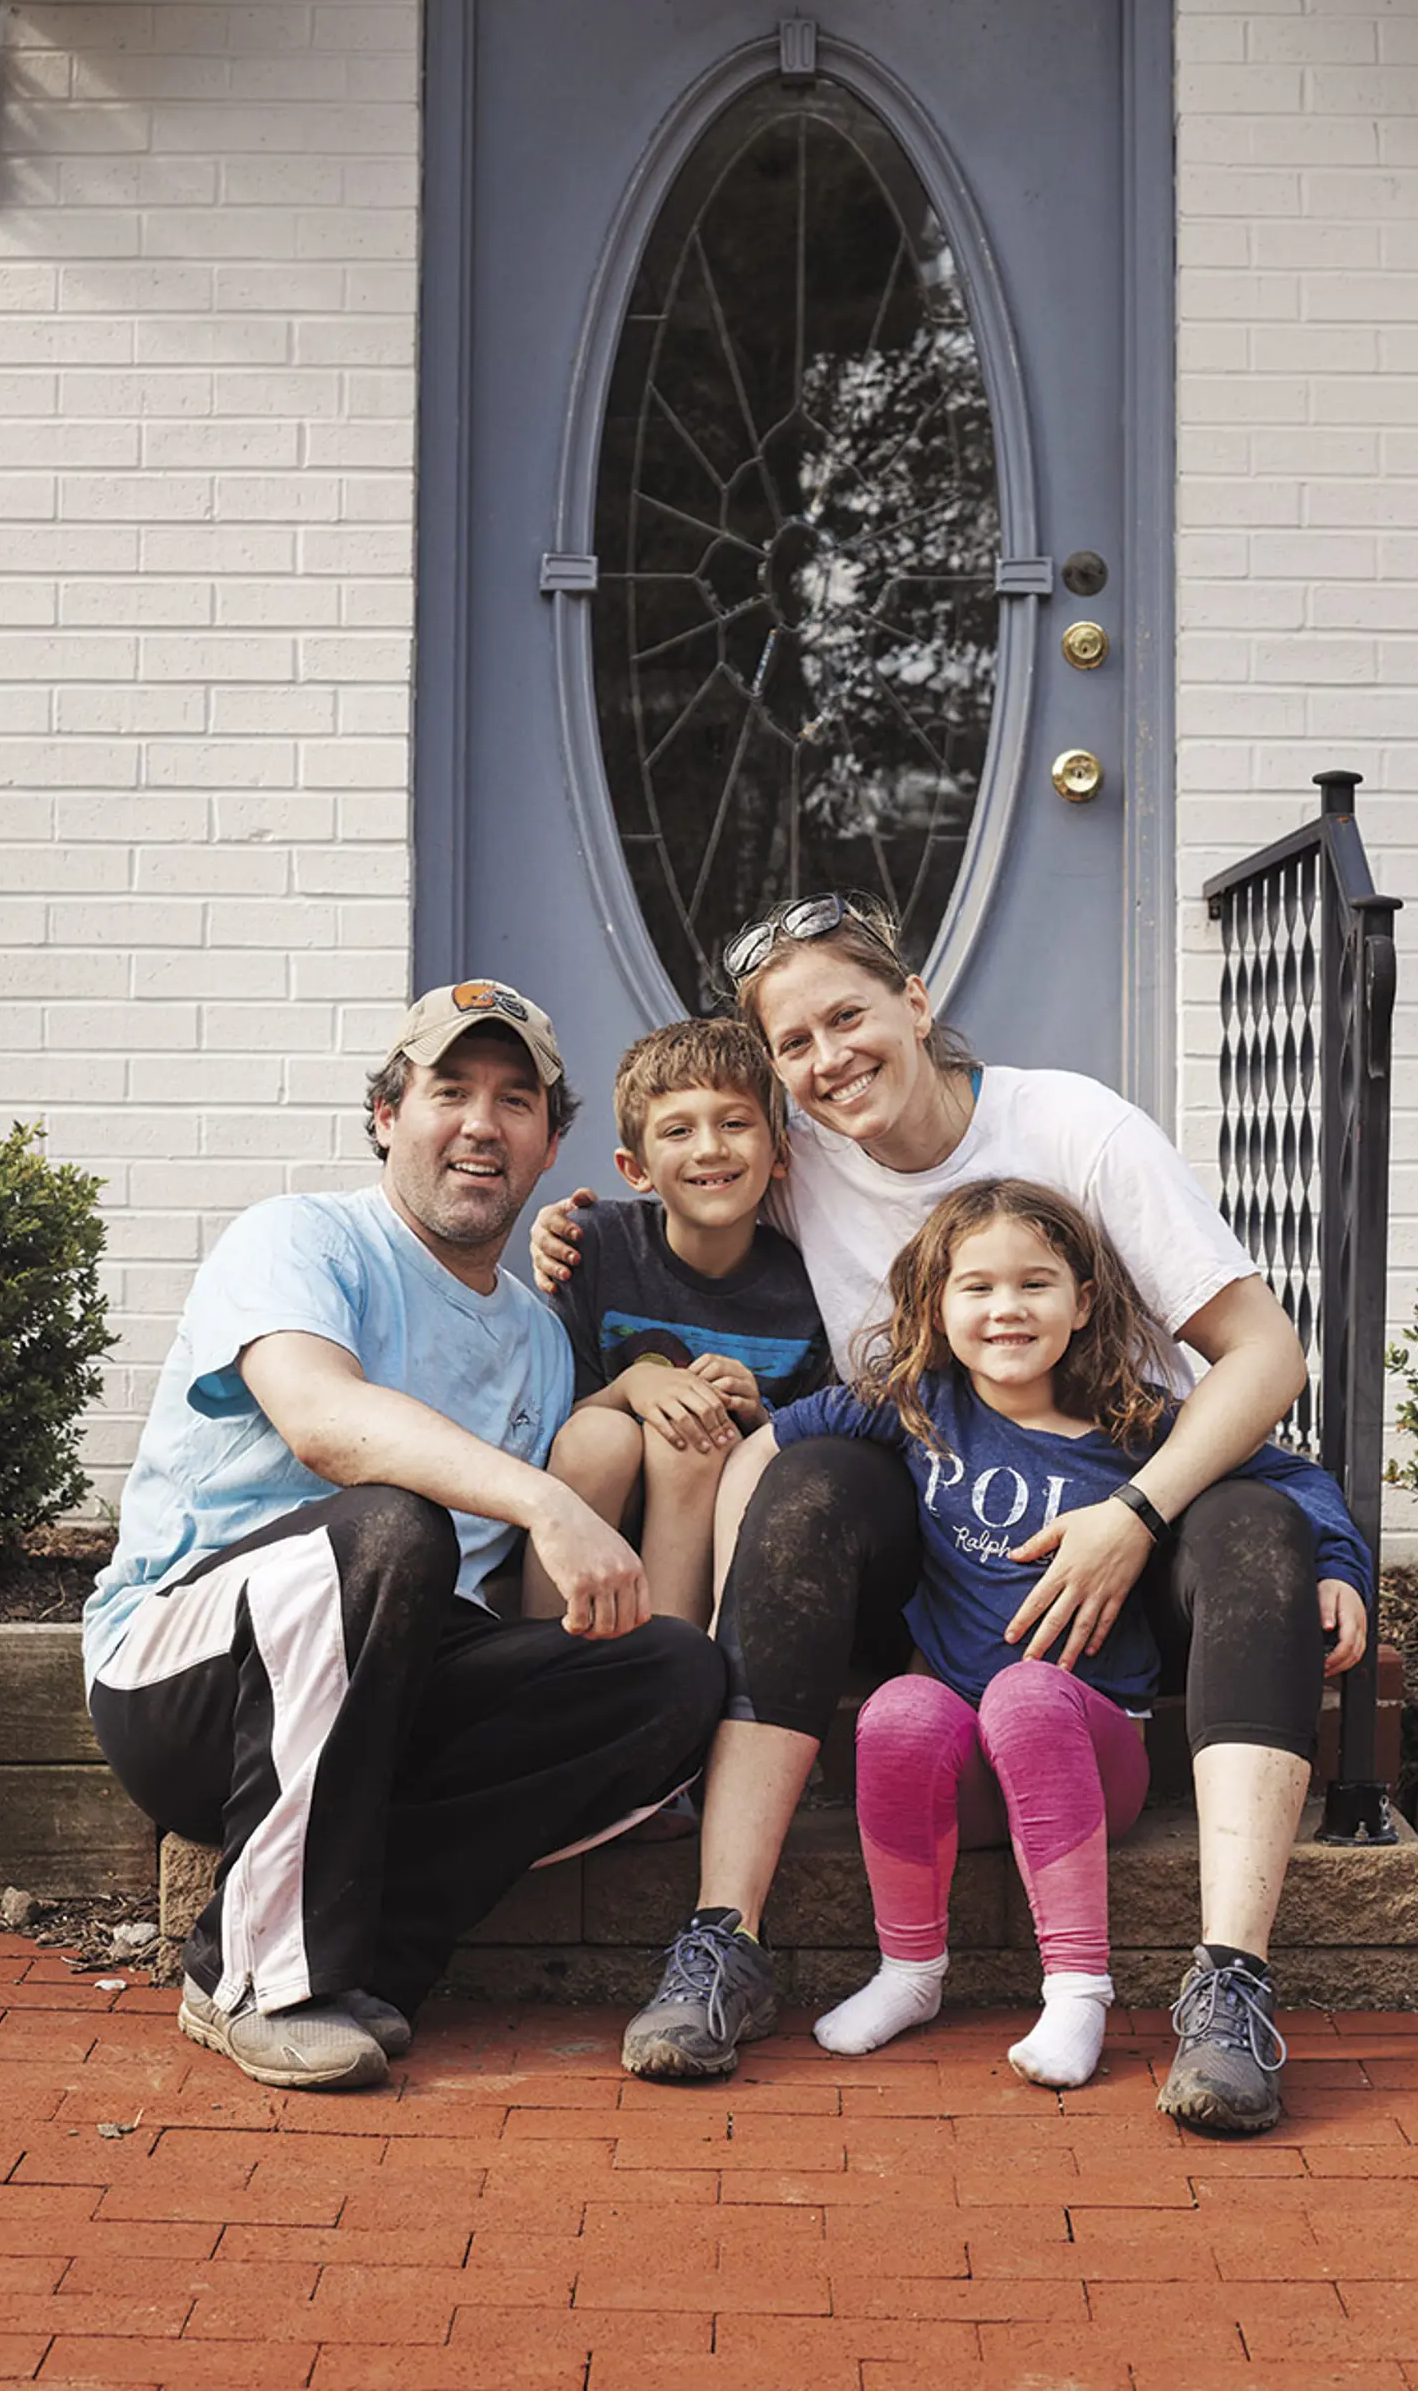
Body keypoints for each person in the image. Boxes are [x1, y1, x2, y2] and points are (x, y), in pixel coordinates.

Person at [532, 896, 1367, 2133]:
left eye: (848, 1017)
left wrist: (1139, 1513)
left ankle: (1230, 1987)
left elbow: (1266, 1358)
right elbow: (695, 1185)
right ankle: (723, 1939)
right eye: (794, 1044)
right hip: (949, 1537)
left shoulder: (1076, 1130)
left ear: (916, 1003)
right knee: (808, 1484)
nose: (829, 1059)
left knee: (1256, 1531)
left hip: (1146, 1505)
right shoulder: (805, 1153)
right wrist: (581, 1235)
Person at [83, 978, 725, 2095]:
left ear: (550, 1144)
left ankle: (373, 1957)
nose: (482, 1123)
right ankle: (252, 1977)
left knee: (671, 1672)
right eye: (450, 1091)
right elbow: (324, 1423)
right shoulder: (300, 1237)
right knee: (392, 1527)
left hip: (386, 1697)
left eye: (515, 1101)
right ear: (387, 1116)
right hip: (188, 1681)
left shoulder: (538, 1338)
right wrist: (547, 1502)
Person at [766, 1178, 1367, 2093]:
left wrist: (1338, 1569)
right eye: (977, 1287)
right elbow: (772, 1445)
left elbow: (1295, 1479)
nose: (1006, 1308)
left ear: (1083, 1303)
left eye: (1034, 1284)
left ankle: (1079, 1990)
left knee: (1028, 1693)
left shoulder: (1135, 1428)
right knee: (896, 1709)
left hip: (1092, 1753)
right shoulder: (916, 1408)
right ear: (935, 1304)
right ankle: (909, 1972)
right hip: (963, 1770)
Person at [527, 1017, 827, 1625]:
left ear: (779, 1151)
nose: (710, 1148)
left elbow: (811, 1454)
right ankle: (539, 1654)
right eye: (678, 1131)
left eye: (734, 1123)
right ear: (635, 1168)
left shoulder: (807, 1287)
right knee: (599, 1434)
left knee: (694, 1435)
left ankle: (671, 1659)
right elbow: (551, 1421)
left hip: (711, 1523)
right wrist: (632, 1385)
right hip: (597, 1495)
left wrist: (755, 1416)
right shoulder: (592, 1245)